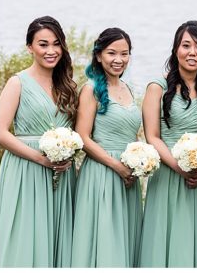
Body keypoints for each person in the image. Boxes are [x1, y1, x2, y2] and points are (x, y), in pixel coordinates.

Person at [0, 16, 78, 267]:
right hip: (25, 171)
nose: (51, 51)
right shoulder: (17, 82)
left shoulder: (68, 85)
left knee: (58, 240)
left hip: (62, 176)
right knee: (25, 238)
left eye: (56, 44)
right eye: (43, 44)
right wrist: (40, 159)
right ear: (29, 47)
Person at [138, 21, 197, 267]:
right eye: (186, 46)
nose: (192, 52)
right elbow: (152, 136)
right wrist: (177, 166)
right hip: (168, 171)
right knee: (165, 237)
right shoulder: (157, 87)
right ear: (175, 50)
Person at [71, 28, 143, 267]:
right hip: (101, 173)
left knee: (124, 241)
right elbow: (82, 136)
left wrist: (139, 162)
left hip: (127, 178)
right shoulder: (91, 89)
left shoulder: (128, 88)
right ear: (99, 55)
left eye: (125, 53)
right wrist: (116, 166)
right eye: (112, 53)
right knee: (102, 242)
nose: (119, 59)